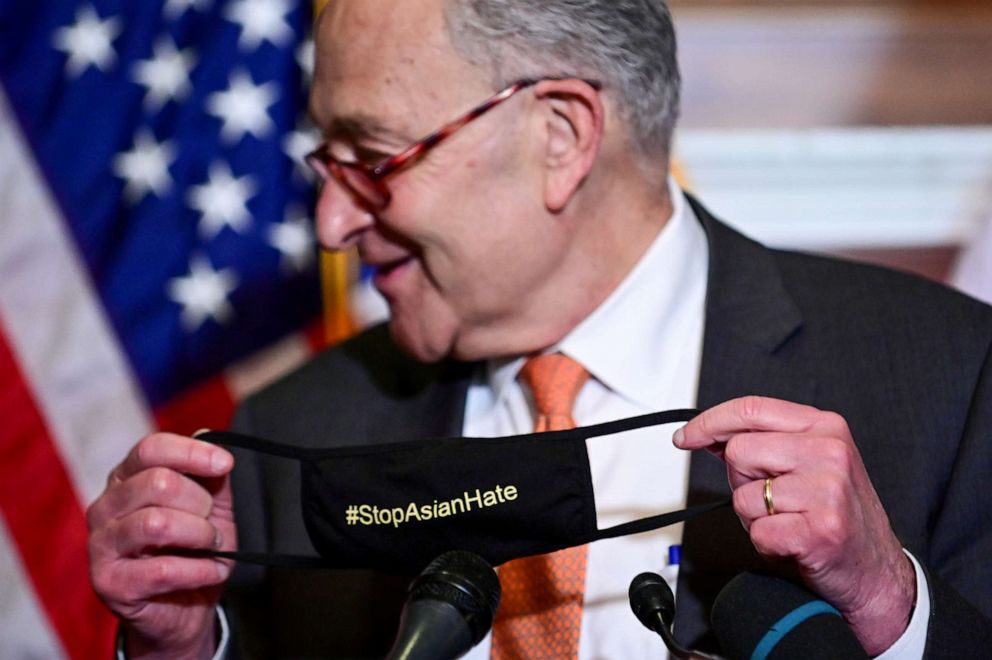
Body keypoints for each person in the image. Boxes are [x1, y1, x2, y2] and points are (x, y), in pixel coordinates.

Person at [86, 0, 992, 658]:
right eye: (327, 163)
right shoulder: (297, 434)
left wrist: (889, 606)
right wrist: (182, 646)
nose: (331, 224)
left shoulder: (948, 375)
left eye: (372, 159)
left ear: (560, 135)